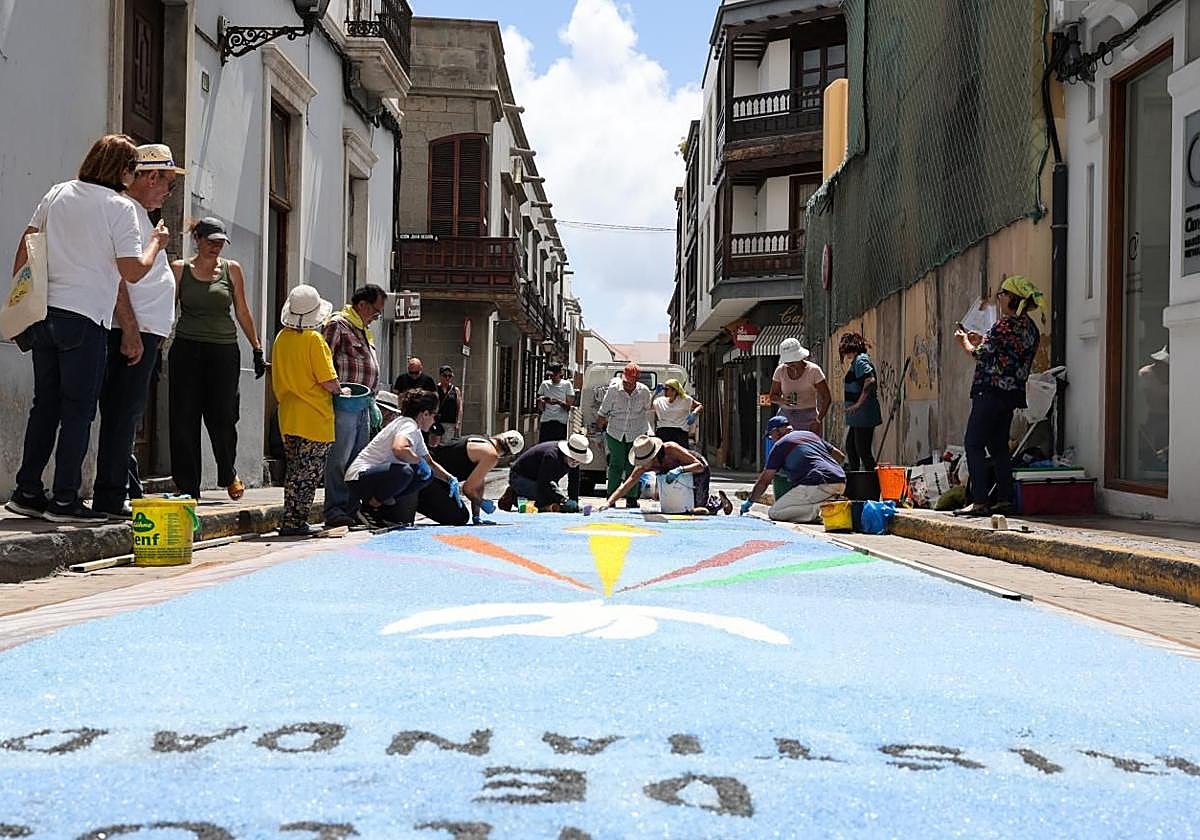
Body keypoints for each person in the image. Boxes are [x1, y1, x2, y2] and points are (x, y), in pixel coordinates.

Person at [6, 134, 168, 523]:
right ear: (124, 171)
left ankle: (28, 491)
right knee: (78, 411)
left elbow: (27, 247)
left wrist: (19, 304)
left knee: (44, 405)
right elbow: (132, 270)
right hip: (85, 318)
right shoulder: (118, 207)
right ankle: (65, 499)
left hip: (45, 314)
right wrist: (156, 244)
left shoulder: (58, 192)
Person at [90, 144, 184, 518]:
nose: (167, 192)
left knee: (126, 415)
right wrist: (129, 328)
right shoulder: (127, 212)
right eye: (167, 183)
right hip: (133, 332)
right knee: (121, 414)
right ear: (149, 177)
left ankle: (124, 488)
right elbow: (117, 278)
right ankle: (110, 497)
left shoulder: (142, 217)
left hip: (145, 330)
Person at [168, 217, 265, 501]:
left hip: (223, 350)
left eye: (220, 242)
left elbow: (243, 311)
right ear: (196, 239)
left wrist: (257, 348)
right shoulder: (179, 270)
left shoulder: (231, 270)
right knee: (183, 417)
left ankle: (227, 471)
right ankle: (187, 486)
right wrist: (154, 346)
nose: (216, 247)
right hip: (187, 347)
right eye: (210, 241)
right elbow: (168, 308)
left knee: (223, 415)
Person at [953, 275, 1044, 516]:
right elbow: (1004, 352)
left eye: (1003, 294)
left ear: (1013, 299)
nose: (1000, 298)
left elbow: (981, 355)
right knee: (999, 447)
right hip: (1011, 395)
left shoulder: (1004, 325)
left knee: (973, 443)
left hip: (990, 391)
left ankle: (980, 500)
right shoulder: (1030, 329)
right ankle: (1004, 499)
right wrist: (982, 339)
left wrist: (965, 342)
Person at [271, 285, 342, 537]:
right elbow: (328, 380)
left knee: (294, 471)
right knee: (308, 473)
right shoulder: (314, 340)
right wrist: (340, 390)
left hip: (288, 415)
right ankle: (295, 522)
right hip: (314, 417)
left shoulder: (281, 338)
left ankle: (290, 518)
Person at [321, 284, 386, 528]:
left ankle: (350, 509)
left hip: (364, 404)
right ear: (362, 306)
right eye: (376, 311)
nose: (377, 317)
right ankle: (335, 509)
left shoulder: (363, 331)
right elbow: (323, 359)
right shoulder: (338, 325)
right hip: (344, 404)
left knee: (358, 460)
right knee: (339, 457)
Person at [345, 389, 458, 528]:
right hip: (359, 479)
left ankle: (379, 509)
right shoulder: (408, 425)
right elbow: (399, 449)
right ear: (425, 414)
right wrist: (418, 461)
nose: (435, 421)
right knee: (405, 472)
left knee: (425, 476)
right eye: (436, 416)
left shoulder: (414, 430)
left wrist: (450, 479)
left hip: (372, 478)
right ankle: (369, 509)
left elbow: (430, 463)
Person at [740, 417, 847, 522]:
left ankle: (822, 509)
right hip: (840, 481)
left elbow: (764, 481)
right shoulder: (810, 435)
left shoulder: (780, 445)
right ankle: (832, 502)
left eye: (770, 435)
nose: (771, 439)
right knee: (800, 502)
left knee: (775, 512)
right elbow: (840, 457)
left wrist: (750, 501)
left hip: (817, 483)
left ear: (776, 431)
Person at [599, 434, 731, 515]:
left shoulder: (671, 449)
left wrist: (680, 470)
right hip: (677, 480)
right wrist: (609, 502)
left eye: (646, 461)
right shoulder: (643, 466)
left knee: (700, 508)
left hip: (695, 469)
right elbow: (627, 484)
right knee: (681, 508)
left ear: (654, 455)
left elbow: (699, 466)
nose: (643, 465)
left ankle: (719, 501)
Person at [417, 430, 526, 525]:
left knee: (460, 511)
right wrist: (481, 502)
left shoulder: (481, 441)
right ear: (507, 454)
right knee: (460, 517)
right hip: (431, 478)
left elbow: (479, 483)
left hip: (430, 472)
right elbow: (467, 489)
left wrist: (476, 516)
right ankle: (416, 501)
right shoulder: (491, 456)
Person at [596, 362, 653, 508]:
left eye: (631, 382)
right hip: (615, 432)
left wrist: (650, 433)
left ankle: (631, 498)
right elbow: (602, 413)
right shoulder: (614, 390)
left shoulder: (644, 392)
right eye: (626, 381)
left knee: (633, 465)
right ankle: (612, 497)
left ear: (637, 380)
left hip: (637, 434)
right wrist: (598, 434)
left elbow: (649, 411)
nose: (627, 385)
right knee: (616, 464)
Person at [498, 433, 593, 511]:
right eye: (573, 458)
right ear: (566, 453)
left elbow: (574, 481)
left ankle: (525, 495)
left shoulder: (575, 460)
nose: (575, 462)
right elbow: (545, 483)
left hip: (540, 479)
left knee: (553, 499)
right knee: (544, 501)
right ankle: (514, 496)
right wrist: (563, 500)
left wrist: (574, 502)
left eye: (578, 460)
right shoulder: (551, 456)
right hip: (521, 476)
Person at [838, 332, 882, 472]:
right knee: (851, 448)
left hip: (863, 415)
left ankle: (873, 483)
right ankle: (856, 479)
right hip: (857, 418)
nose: (846, 355)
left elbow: (869, 380)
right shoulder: (857, 361)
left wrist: (858, 404)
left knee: (863, 451)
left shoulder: (860, 360)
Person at [768, 337, 832, 435]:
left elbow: (827, 397)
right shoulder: (780, 371)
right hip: (786, 419)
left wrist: (818, 420)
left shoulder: (814, 371)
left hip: (809, 418)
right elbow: (772, 396)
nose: (790, 365)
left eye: (793, 361)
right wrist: (783, 401)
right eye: (787, 362)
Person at [652, 378, 701, 448]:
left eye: (667, 389)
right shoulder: (660, 401)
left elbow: (700, 406)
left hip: (679, 432)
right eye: (664, 389)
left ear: (674, 390)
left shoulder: (685, 400)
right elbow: (649, 407)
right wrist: (655, 393)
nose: (664, 391)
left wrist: (694, 413)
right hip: (663, 431)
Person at [536, 363, 575, 443]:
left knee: (558, 448)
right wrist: (541, 401)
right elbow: (541, 408)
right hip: (546, 421)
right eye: (550, 376)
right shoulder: (544, 384)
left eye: (554, 375)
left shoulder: (567, 385)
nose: (552, 377)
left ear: (559, 374)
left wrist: (558, 402)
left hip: (560, 422)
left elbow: (568, 407)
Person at [435, 364, 463, 440]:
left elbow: (459, 407)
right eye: (445, 376)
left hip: (450, 423)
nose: (447, 378)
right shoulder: (435, 389)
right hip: (438, 422)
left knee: (447, 445)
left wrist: (458, 422)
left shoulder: (455, 390)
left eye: (449, 376)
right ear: (440, 376)